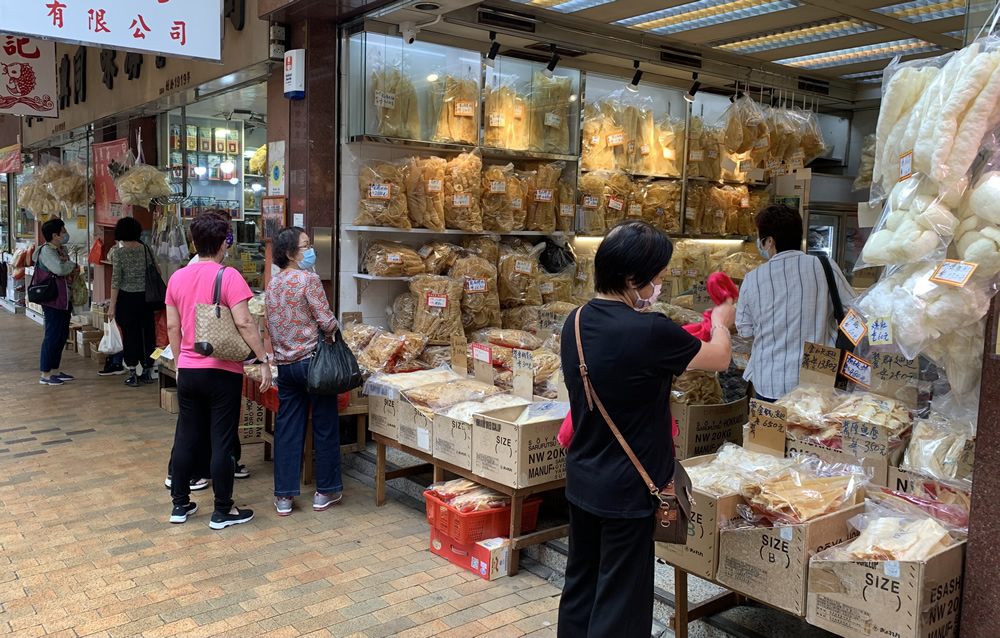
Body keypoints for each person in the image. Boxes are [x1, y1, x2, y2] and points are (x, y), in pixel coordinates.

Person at [557, 221, 735, 638]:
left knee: (581, 585)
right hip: (629, 492)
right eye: (656, 277)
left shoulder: (576, 321)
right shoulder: (652, 330)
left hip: (583, 479)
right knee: (621, 601)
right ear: (632, 279)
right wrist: (723, 318)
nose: (660, 284)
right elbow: (721, 357)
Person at [165, 211, 271, 529]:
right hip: (222, 370)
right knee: (222, 439)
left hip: (188, 369)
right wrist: (263, 359)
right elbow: (244, 321)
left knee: (186, 436)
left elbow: (172, 325)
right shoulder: (229, 276)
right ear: (224, 242)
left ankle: (180, 506)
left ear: (194, 242)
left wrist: (179, 362)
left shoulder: (177, 277)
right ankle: (223, 510)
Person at [736, 205, 856, 402]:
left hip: (769, 382)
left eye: (760, 237)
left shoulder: (753, 279)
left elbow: (745, 331)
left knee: (769, 433)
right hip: (818, 382)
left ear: (769, 241)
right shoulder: (824, 266)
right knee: (813, 433)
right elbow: (855, 311)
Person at [266, 227, 342, 516]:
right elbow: (327, 321)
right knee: (324, 425)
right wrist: (332, 330)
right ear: (290, 254)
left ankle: (284, 497)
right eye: (305, 246)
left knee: (287, 429)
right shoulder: (308, 279)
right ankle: (326, 490)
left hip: (285, 367)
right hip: (314, 363)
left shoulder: (273, 285)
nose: (311, 251)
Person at [107, 217, 158, 387]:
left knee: (130, 335)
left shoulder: (118, 253)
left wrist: (112, 305)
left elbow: (116, 280)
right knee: (147, 334)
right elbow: (156, 271)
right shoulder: (146, 250)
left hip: (126, 299)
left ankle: (132, 372)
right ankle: (147, 370)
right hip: (146, 298)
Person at [35, 218, 77, 386]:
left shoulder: (60, 249)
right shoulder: (46, 251)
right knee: (52, 335)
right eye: (63, 231)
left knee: (61, 335)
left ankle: (55, 370)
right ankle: (45, 374)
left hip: (63, 298)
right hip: (53, 299)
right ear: (55, 235)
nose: (66, 234)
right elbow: (59, 269)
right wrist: (72, 265)